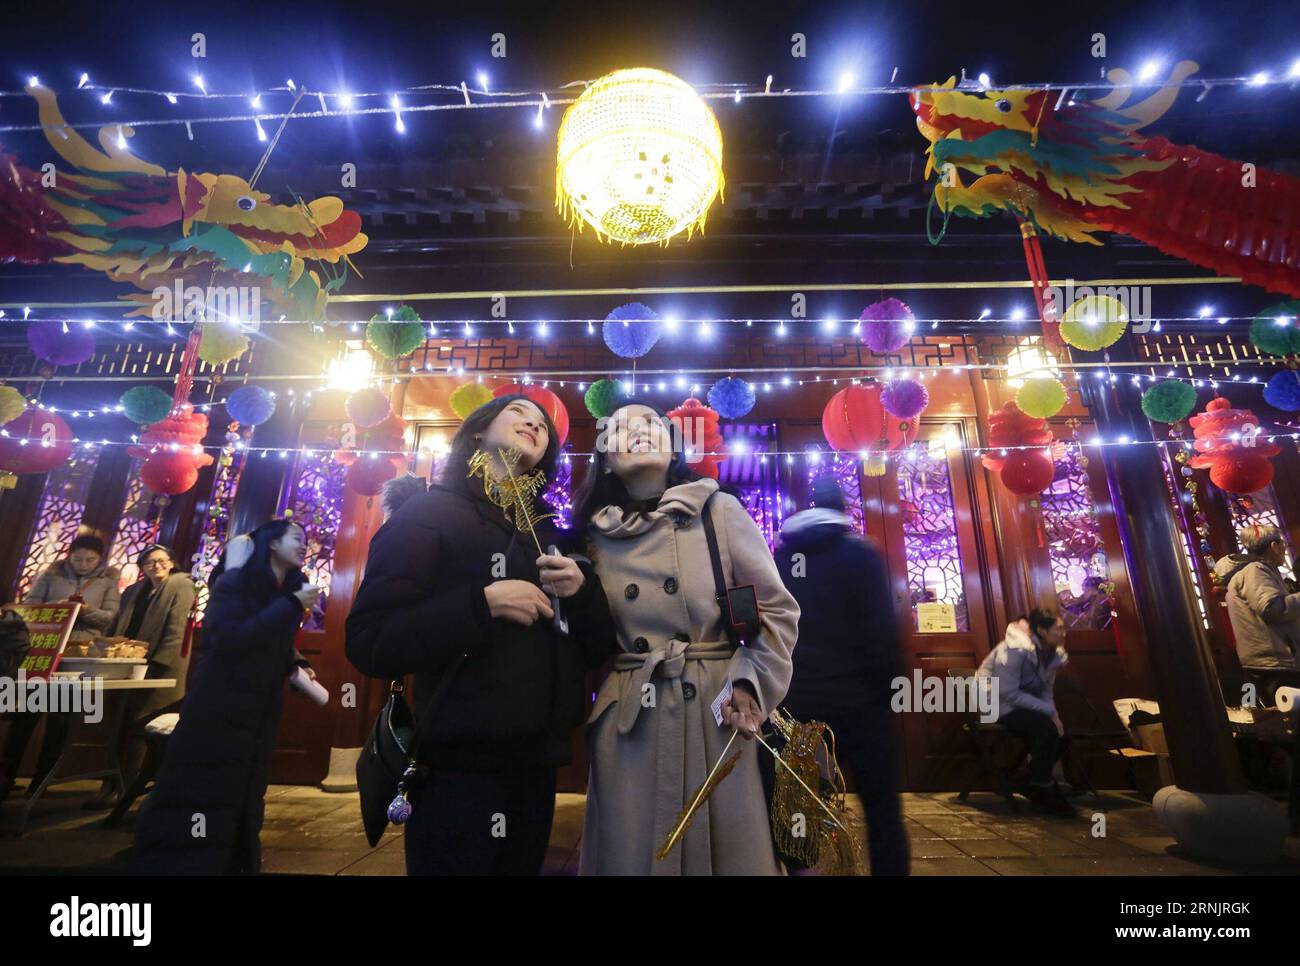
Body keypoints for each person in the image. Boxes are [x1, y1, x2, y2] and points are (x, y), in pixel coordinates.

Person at [345, 394, 616, 876]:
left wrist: (583, 593)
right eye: (518, 413)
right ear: (476, 431)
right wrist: (482, 604)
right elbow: (371, 639)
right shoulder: (430, 512)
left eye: (542, 425)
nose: (534, 423)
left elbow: (595, 649)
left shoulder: (550, 535)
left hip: (537, 764)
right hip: (457, 768)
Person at [574, 402, 800, 876]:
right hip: (630, 722)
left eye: (652, 424)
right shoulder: (591, 537)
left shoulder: (717, 510)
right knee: (633, 853)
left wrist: (751, 684)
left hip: (716, 713)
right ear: (605, 457)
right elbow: (586, 639)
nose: (638, 431)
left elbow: (776, 610)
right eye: (620, 427)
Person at [131, 520, 320, 874]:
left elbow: (270, 638)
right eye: (297, 538)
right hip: (222, 703)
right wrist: (292, 605)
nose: (304, 546)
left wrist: (297, 666)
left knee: (246, 792)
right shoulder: (235, 583)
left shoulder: (285, 588)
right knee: (205, 790)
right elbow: (231, 639)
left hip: (259, 708)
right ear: (272, 544)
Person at [774, 476, 909, 875]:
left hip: (799, 706)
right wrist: (889, 694)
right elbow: (882, 633)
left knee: (798, 807)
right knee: (882, 807)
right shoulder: (861, 555)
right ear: (844, 508)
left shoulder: (781, 557)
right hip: (861, 706)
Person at [1, 534, 121, 800]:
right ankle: (6, 776)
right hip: (42, 651)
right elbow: (29, 609)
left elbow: (110, 619)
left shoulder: (107, 583)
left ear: (100, 559)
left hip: (77, 655)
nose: (83, 564)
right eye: (78, 558)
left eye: (90, 560)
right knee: (25, 716)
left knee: (59, 719)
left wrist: (85, 610)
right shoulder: (50, 576)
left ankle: (42, 782)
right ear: (69, 555)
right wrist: (59, 609)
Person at [84, 544, 195, 809]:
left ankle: (127, 787)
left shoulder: (181, 585)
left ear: (171, 562)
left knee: (139, 724)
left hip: (158, 667)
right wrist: (105, 647)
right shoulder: (135, 590)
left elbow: (176, 629)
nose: (155, 566)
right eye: (149, 563)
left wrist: (157, 664)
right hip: (125, 661)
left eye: (160, 561)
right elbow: (119, 621)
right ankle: (110, 783)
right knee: (118, 723)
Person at [977, 609, 1073, 815]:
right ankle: (1041, 789)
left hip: (1023, 705)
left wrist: (1054, 715)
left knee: (1062, 735)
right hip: (996, 704)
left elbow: (1046, 690)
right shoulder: (1014, 651)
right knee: (1045, 731)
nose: (1064, 633)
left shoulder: (1051, 654)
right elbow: (1007, 692)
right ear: (1042, 630)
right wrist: (1048, 712)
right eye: (1059, 628)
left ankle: (1028, 781)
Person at [1213, 524, 1300, 705]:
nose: (1285, 548)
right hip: (1273, 666)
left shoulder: (1258, 571)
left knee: (1269, 720)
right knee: (1283, 723)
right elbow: (1271, 608)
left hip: (1267, 664)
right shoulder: (1256, 571)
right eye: (1282, 543)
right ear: (1273, 546)